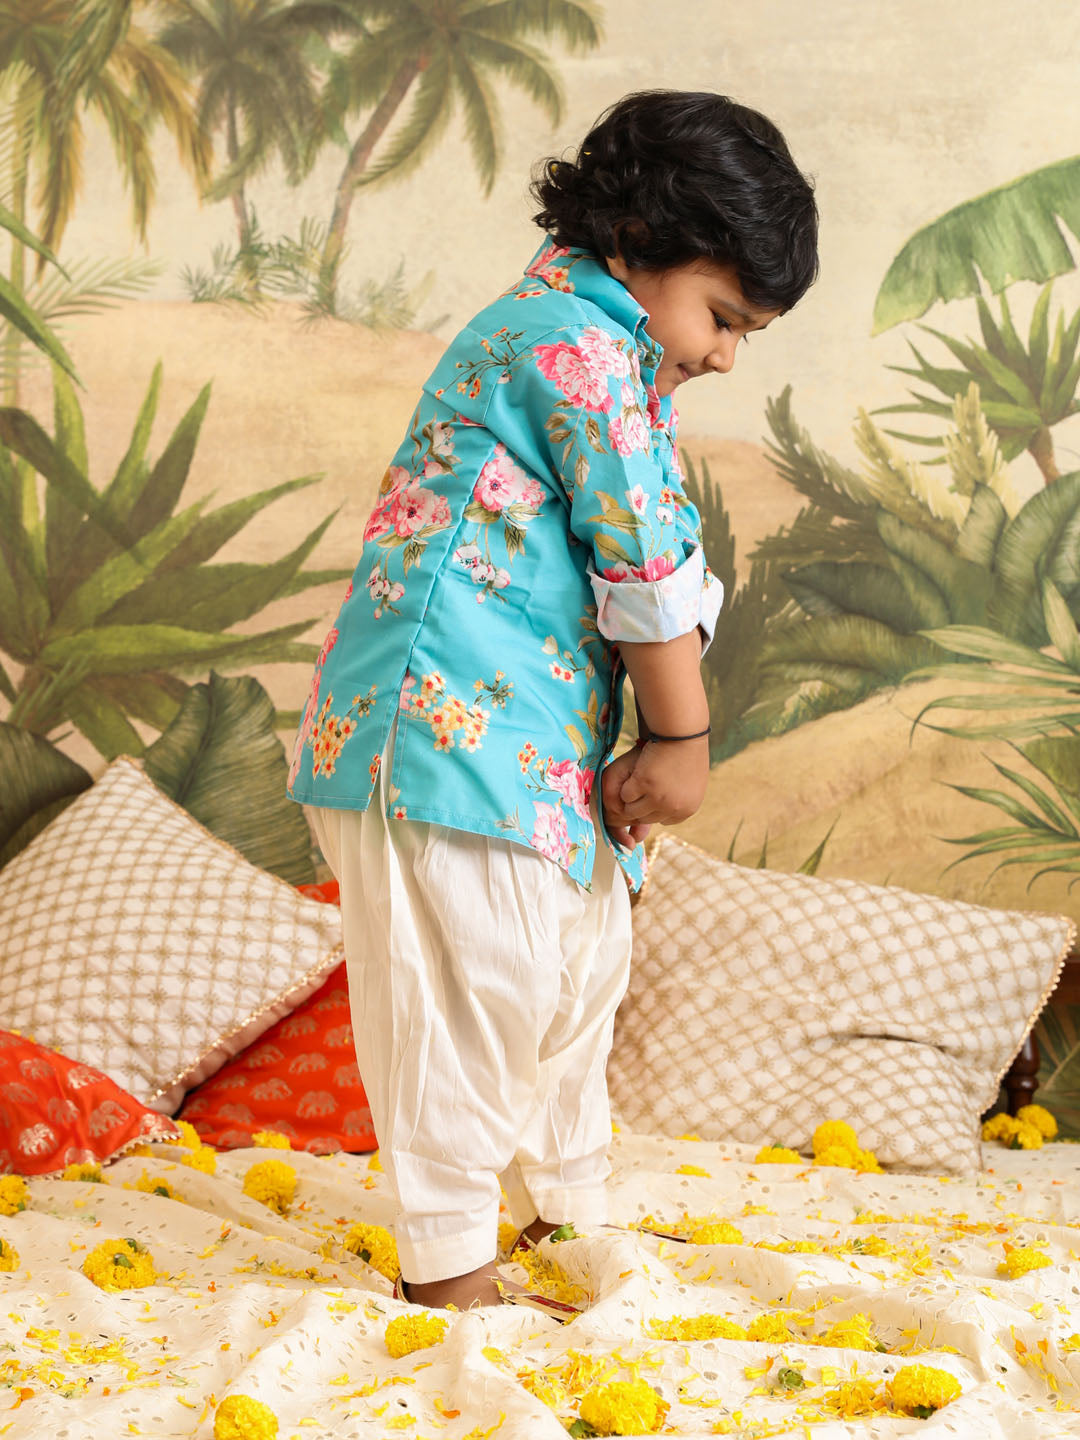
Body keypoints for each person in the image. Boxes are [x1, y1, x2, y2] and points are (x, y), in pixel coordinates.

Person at [287, 89, 818, 1313]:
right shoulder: (567, 347)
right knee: (471, 997)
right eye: (722, 318)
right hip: (439, 740)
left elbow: (649, 567)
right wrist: (680, 738)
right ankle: (449, 1265)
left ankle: (562, 1212)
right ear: (636, 240)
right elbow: (645, 567)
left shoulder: (608, 359)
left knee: (575, 971)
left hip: (524, 748)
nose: (725, 356)